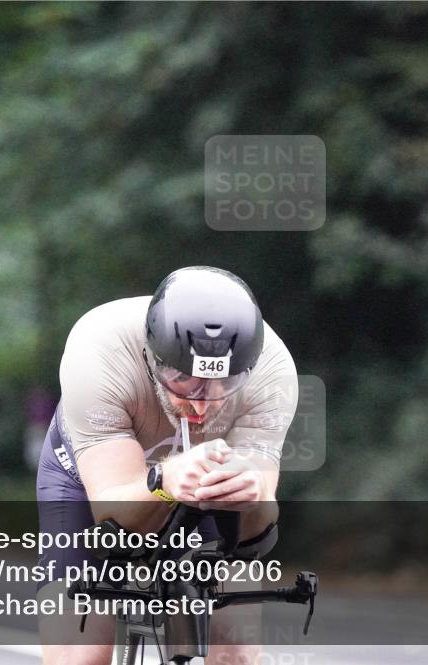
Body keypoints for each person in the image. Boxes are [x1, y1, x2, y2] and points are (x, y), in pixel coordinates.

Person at [36, 266, 299, 665]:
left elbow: (255, 535)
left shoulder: (273, 373)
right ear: (150, 356)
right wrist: (166, 480)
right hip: (89, 481)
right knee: (82, 652)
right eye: (182, 380)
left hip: (206, 489)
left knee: (238, 651)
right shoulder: (99, 348)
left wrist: (253, 494)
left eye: (222, 386)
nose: (199, 404)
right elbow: (114, 515)